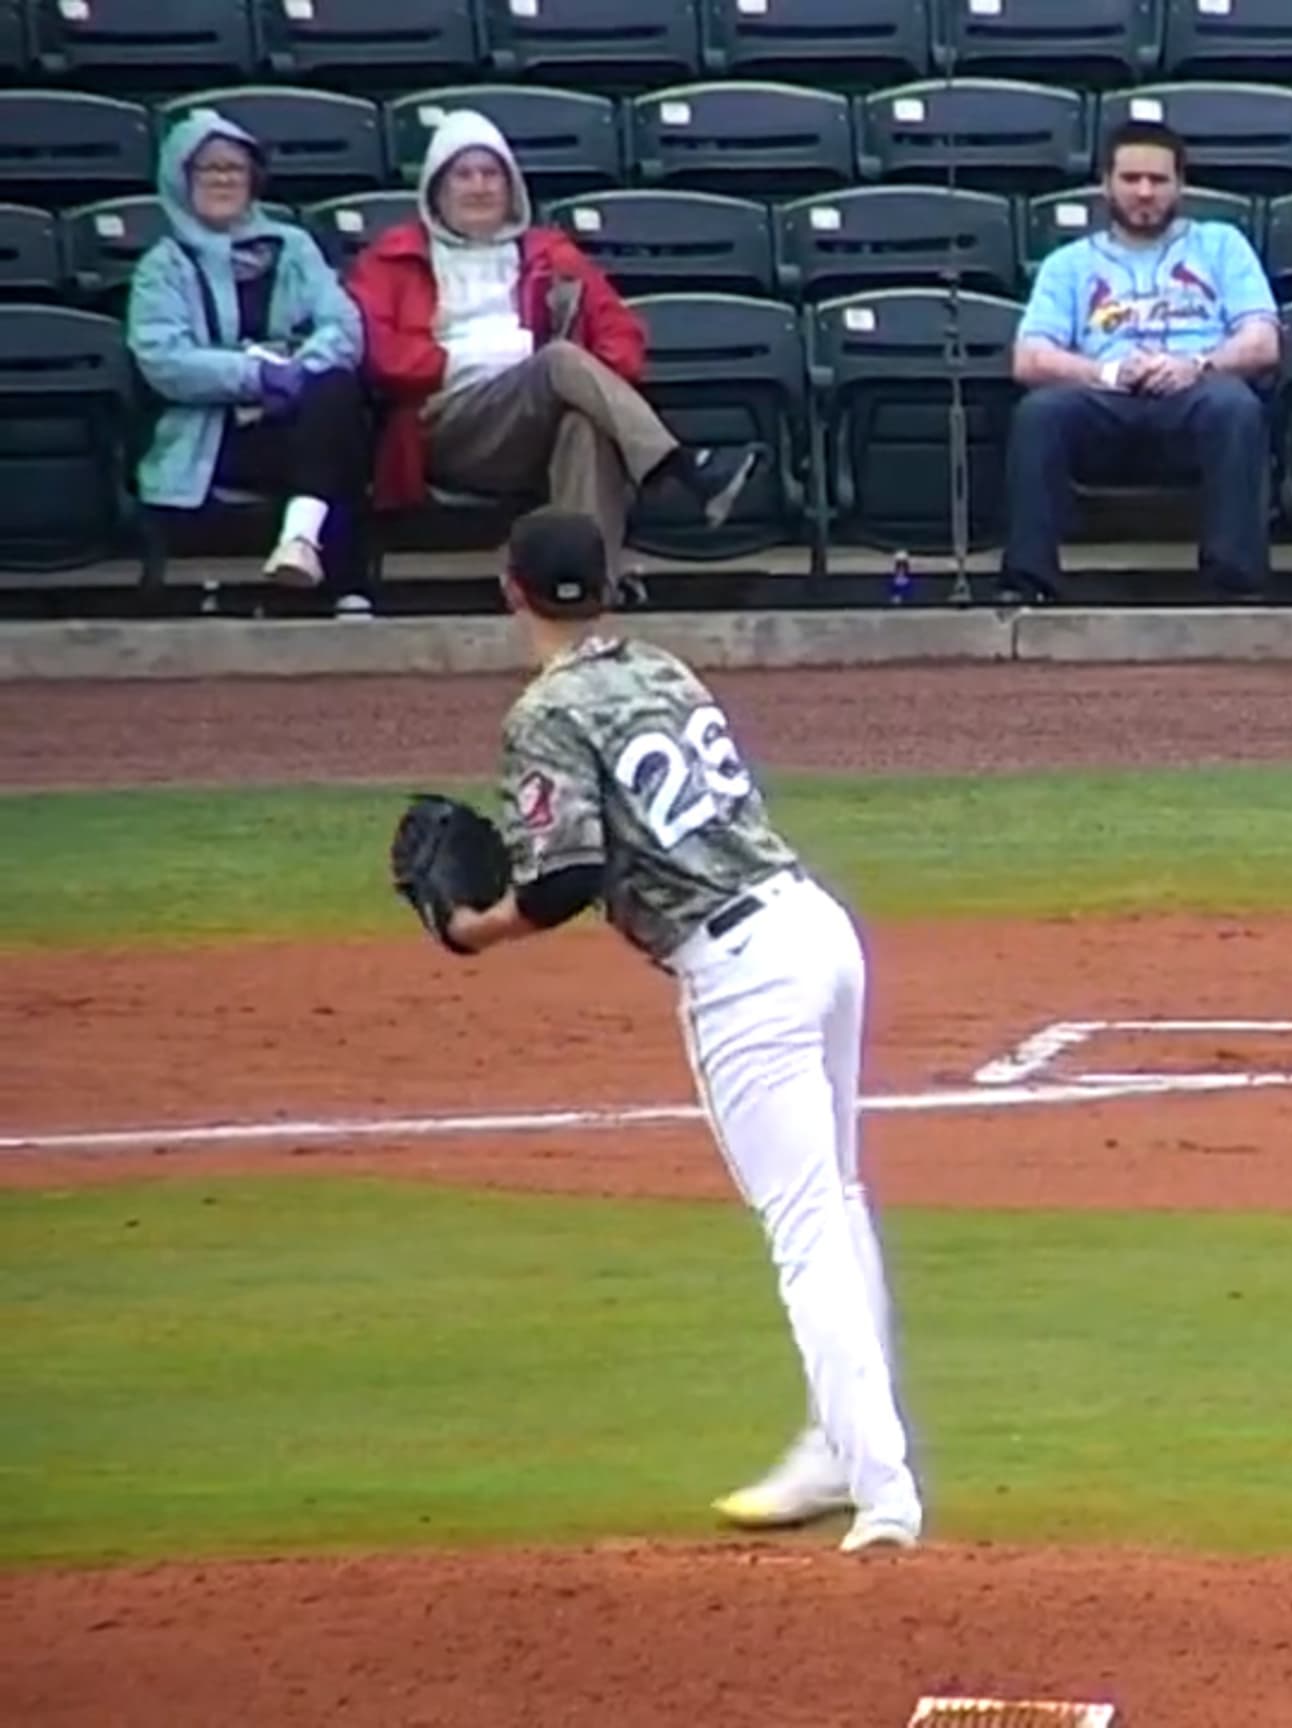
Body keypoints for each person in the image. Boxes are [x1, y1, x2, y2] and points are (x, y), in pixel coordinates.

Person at [431, 508, 922, 1554]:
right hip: (817, 928)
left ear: (512, 589)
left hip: (744, 973)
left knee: (805, 1233)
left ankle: (883, 1495)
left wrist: (474, 931)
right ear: (605, 587)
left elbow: (561, 877)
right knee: (835, 1199)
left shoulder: (546, 711)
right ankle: (844, 1454)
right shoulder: (659, 668)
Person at [346, 110, 760, 576]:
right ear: (437, 191)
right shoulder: (391, 259)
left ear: (512, 189)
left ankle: (579, 590)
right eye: (463, 175)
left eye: (492, 175)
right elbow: (383, 357)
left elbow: (621, 334)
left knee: (585, 426)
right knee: (558, 359)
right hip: (443, 424)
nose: (479, 187)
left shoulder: (550, 254)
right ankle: (679, 466)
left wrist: (594, 382)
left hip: (531, 425)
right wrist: (503, 357)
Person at [1005, 119, 1281, 603]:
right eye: (1131, 179)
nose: (1145, 192)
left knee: (1235, 405)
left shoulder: (1221, 245)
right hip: (1103, 399)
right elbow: (1029, 358)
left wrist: (1196, 364)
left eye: (1158, 180)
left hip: (1195, 392)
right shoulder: (1068, 263)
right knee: (1039, 412)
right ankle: (1030, 584)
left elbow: (1262, 341)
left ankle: (1234, 583)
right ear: (1105, 185)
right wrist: (1104, 373)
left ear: (1181, 185)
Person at [124, 109, 372, 609]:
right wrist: (256, 375)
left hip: (298, 417)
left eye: (234, 169)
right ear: (181, 178)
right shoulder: (163, 265)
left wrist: (297, 373)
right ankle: (342, 586)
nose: (223, 180)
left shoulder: (294, 246)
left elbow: (344, 328)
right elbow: (165, 360)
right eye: (208, 169)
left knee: (336, 394)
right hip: (213, 435)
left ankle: (301, 544)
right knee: (335, 428)